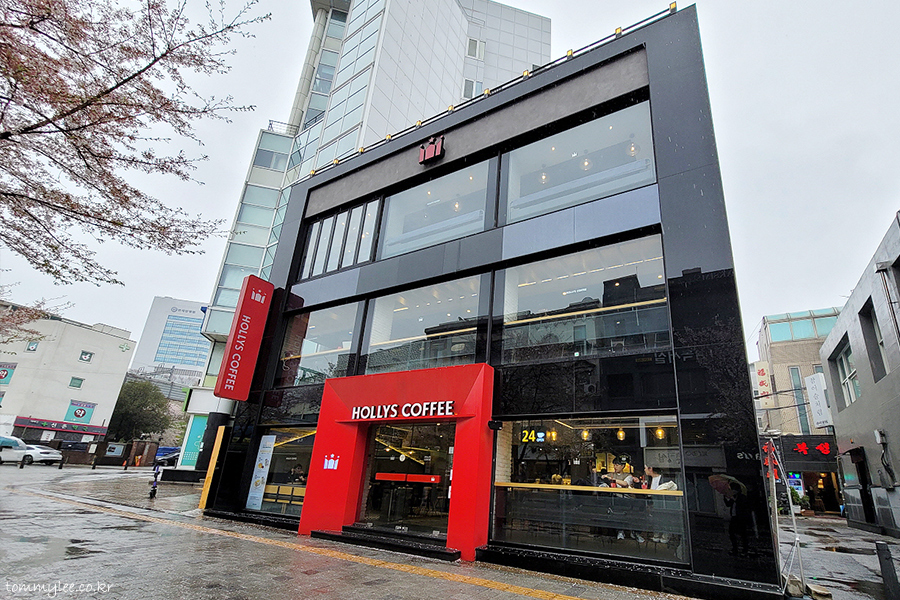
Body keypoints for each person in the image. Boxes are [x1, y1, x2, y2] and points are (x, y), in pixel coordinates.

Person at [602, 454, 637, 540]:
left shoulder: (628, 476)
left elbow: (625, 483)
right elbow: (603, 481)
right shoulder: (610, 474)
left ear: (623, 466)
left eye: (617, 465)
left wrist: (611, 479)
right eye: (614, 465)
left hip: (625, 499)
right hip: (612, 499)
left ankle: (623, 531)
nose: (615, 467)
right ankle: (616, 531)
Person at [644, 464, 677, 543]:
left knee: (664, 517)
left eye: (645, 468)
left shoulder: (664, 479)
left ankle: (666, 533)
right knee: (655, 517)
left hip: (664, 505)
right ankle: (657, 532)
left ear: (650, 469)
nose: (644, 470)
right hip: (654, 505)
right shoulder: (648, 480)